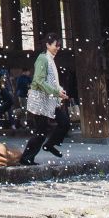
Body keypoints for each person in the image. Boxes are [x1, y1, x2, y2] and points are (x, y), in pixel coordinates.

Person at [19, 33, 70, 165]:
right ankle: (26, 157)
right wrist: (56, 92)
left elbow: (52, 80)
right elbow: (39, 81)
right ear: (47, 45)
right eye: (55, 45)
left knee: (64, 122)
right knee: (41, 131)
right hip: (40, 99)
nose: (57, 48)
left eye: (59, 46)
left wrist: (59, 90)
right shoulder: (43, 59)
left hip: (50, 98)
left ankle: (50, 145)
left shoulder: (50, 59)